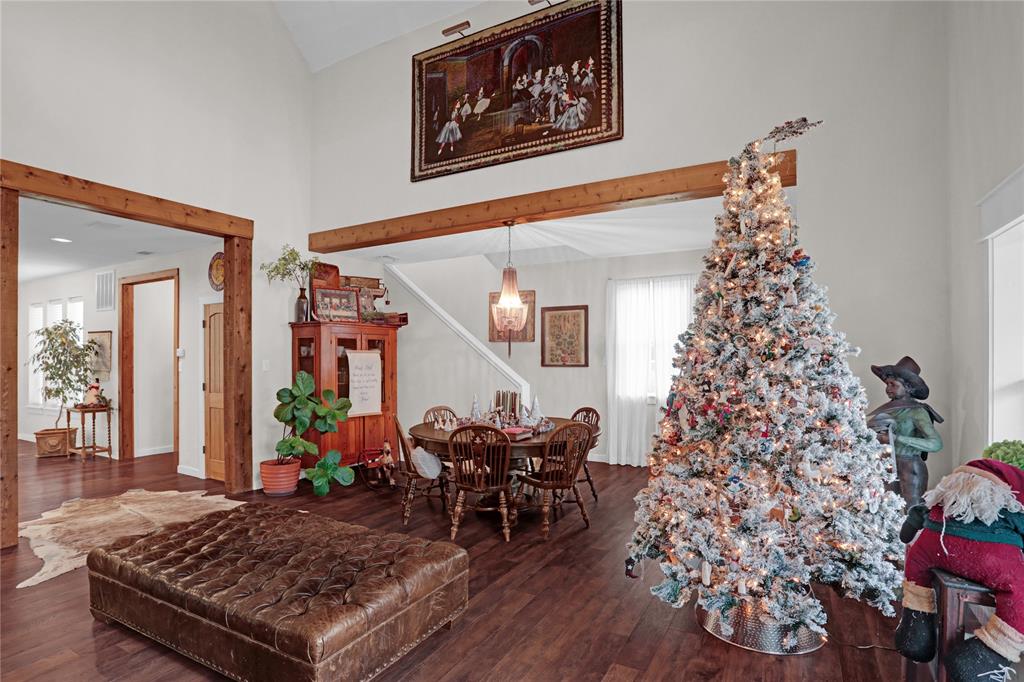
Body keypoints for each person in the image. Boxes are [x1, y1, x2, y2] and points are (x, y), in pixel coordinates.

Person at [895, 458, 1024, 681]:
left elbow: (915, 518)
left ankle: (915, 629)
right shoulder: (1009, 508)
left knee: (916, 566)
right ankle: (984, 657)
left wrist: (907, 532)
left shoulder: (945, 497)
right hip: (989, 559)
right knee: (1019, 594)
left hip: (933, 548)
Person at [866, 356, 942, 506]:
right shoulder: (888, 411)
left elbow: (936, 444)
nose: (888, 388)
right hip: (887, 465)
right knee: (887, 509)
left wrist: (898, 438)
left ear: (908, 387)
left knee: (912, 509)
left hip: (910, 466)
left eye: (893, 384)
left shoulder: (917, 412)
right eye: (887, 384)